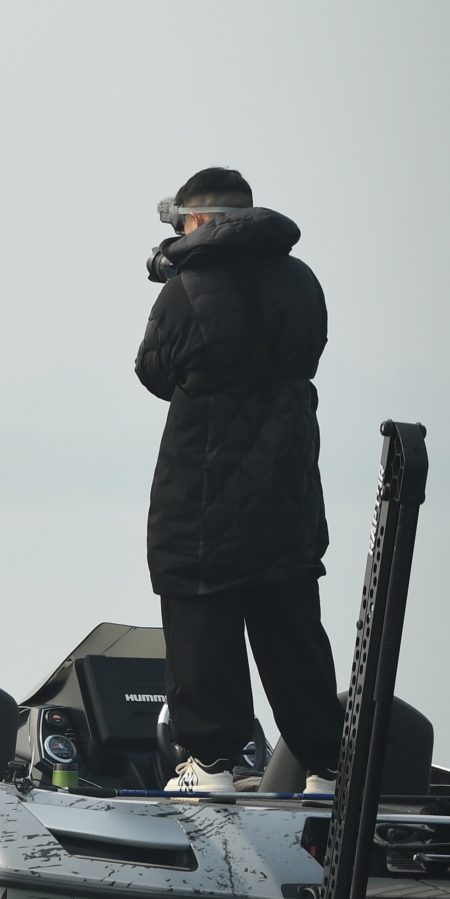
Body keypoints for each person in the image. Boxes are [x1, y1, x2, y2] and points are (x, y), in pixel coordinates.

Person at [135, 166, 339, 793]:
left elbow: (154, 375)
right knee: (292, 626)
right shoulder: (302, 281)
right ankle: (328, 769)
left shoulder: (184, 292)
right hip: (286, 486)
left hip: (200, 489)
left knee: (199, 617)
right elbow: (308, 354)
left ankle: (211, 765)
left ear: (196, 220)